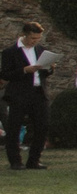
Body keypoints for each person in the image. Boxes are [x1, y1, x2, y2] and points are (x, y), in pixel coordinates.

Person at [4, 22, 51, 170]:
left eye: (37, 38)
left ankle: (34, 160)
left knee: (42, 127)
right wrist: (24, 70)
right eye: (32, 38)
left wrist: (49, 68)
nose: (34, 41)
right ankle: (15, 161)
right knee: (14, 128)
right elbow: (5, 74)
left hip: (38, 93)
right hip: (19, 94)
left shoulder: (41, 50)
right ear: (24, 35)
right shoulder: (10, 52)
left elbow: (43, 74)